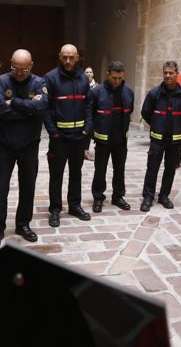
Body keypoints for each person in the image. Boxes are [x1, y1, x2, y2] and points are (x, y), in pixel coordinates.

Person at [0, 49, 48, 250]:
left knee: (28, 186)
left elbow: (40, 109)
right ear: (10, 64)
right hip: (5, 145)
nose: (19, 73)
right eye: (15, 68)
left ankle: (23, 224)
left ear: (31, 65)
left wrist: (13, 102)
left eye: (23, 69)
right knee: (0, 187)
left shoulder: (39, 83)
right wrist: (28, 108)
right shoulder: (1, 81)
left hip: (30, 145)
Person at [43, 44, 93, 227]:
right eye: (64, 57)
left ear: (78, 57)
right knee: (56, 175)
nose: (68, 61)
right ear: (59, 56)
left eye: (72, 57)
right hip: (59, 138)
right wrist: (53, 132)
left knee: (76, 173)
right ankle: (55, 209)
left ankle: (75, 205)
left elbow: (88, 105)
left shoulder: (83, 79)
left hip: (79, 137)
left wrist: (88, 128)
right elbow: (45, 108)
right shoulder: (50, 78)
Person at [139, 61, 181, 212]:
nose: (168, 76)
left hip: (175, 141)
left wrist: (176, 126)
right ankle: (148, 197)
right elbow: (145, 112)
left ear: (177, 74)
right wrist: (157, 124)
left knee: (170, 169)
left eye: (171, 73)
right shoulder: (154, 94)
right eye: (165, 73)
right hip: (157, 139)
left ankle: (164, 196)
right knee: (152, 168)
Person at [90, 61, 134, 212]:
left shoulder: (129, 92)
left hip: (121, 139)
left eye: (120, 78)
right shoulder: (97, 92)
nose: (117, 81)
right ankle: (98, 197)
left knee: (119, 169)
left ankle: (118, 196)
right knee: (100, 169)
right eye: (114, 77)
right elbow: (91, 114)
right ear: (108, 74)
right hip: (103, 139)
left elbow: (130, 111)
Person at [83, 66, 97, 161]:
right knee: (86, 133)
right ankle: (85, 151)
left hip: (95, 114)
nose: (89, 74)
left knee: (94, 132)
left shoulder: (98, 87)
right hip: (84, 113)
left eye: (90, 72)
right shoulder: (81, 86)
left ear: (93, 74)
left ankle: (96, 149)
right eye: (87, 72)